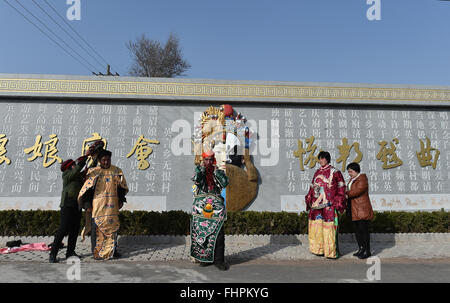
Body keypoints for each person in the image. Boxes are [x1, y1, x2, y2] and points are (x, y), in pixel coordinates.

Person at [77, 149, 128, 260]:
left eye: (108, 160)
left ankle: (113, 251)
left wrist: (121, 200)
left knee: (113, 228)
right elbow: (86, 189)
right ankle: (97, 252)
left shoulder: (116, 171)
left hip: (112, 206)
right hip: (97, 206)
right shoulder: (94, 172)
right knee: (97, 229)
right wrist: (87, 205)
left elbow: (121, 188)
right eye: (104, 160)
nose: (106, 162)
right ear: (99, 160)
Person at [49, 149, 91, 263]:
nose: (75, 166)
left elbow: (86, 170)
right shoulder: (66, 175)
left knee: (74, 230)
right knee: (62, 230)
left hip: (77, 205)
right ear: (69, 167)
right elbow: (77, 169)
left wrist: (93, 158)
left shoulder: (78, 177)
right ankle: (53, 253)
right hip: (67, 205)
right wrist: (85, 156)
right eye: (73, 165)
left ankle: (70, 253)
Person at [191, 150, 229, 270]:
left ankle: (219, 260)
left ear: (214, 160)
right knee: (202, 232)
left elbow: (225, 183)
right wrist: (201, 170)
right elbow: (196, 180)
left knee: (218, 234)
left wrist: (217, 172)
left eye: (210, 160)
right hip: (202, 207)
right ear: (203, 160)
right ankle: (205, 258)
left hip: (216, 206)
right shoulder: (200, 171)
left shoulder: (218, 172)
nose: (208, 162)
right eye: (206, 159)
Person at [304, 151, 347, 259]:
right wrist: (309, 198)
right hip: (317, 206)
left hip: (329, 204)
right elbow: (312, 187)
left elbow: (341, 188)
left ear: (327, 159)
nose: (321, 160)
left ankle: (331, 252)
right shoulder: (317, 171)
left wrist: (337, 200)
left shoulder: (335, 172)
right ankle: (318, 250)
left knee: (329, 228)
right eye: (320, 159)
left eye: (323, 158)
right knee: (317, 228)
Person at [346, 162, 374, 259]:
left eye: (351, 171)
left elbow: (357, 191)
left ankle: (367, 250)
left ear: (356, 170)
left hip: (362, 209)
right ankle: (361, 248)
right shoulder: (352, 180)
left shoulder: (362, 179)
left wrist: (346, 193)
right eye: (348, 171)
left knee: (364, 230)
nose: (349, 173)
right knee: (357, 231)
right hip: (354, 209)